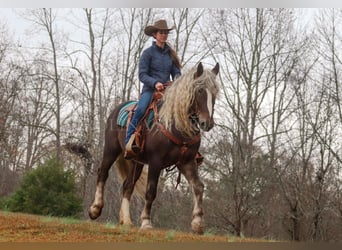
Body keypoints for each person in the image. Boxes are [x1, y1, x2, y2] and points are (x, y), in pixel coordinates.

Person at [124, 19, 182, 159]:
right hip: (150, 89)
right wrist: (155, 83)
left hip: (167, 90)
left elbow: (176, 72)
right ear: (154, 35)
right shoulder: (148, 53)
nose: (164, 35)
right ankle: (128, 142)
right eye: (161, 33)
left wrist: (177, 81)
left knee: (183, 108)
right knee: (141, 109)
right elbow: (142, 74)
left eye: (165, 33)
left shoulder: (170, 54)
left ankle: (186, 145)